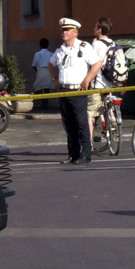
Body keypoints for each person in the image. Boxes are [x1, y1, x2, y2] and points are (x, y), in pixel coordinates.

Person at [48, 17, 103, 165]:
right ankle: (73, 154)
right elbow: (51, 64)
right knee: (68, 123)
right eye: (63, 30)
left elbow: (97, 64)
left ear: (75, 33)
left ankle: (86, 154)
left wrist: (87, 80)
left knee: (81, 123)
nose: (64, 32)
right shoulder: (60, 49)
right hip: (64, 90)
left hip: (78, 90)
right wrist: (54, 79)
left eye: (67, 30)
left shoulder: (84, 47)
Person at [88, 18, 114, 145]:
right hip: (111, 83)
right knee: (108, 104)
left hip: (97, 83)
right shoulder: (113, 43)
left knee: (91, 114)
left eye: (95, 26)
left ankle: (89, 143)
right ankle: (113, 118)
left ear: (99, 30)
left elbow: (91, 63)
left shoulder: (96, 45)